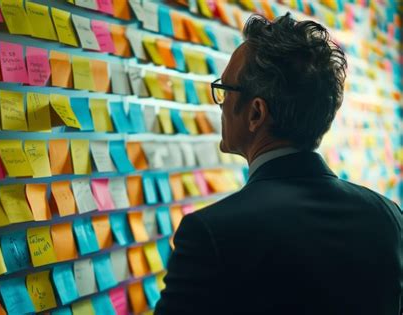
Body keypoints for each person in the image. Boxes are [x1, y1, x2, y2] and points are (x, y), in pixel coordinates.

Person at [154, 13, 402, 315]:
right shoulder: (388, 217)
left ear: (256, 113)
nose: (221, 105)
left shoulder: (210, 233)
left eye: (225, 90)